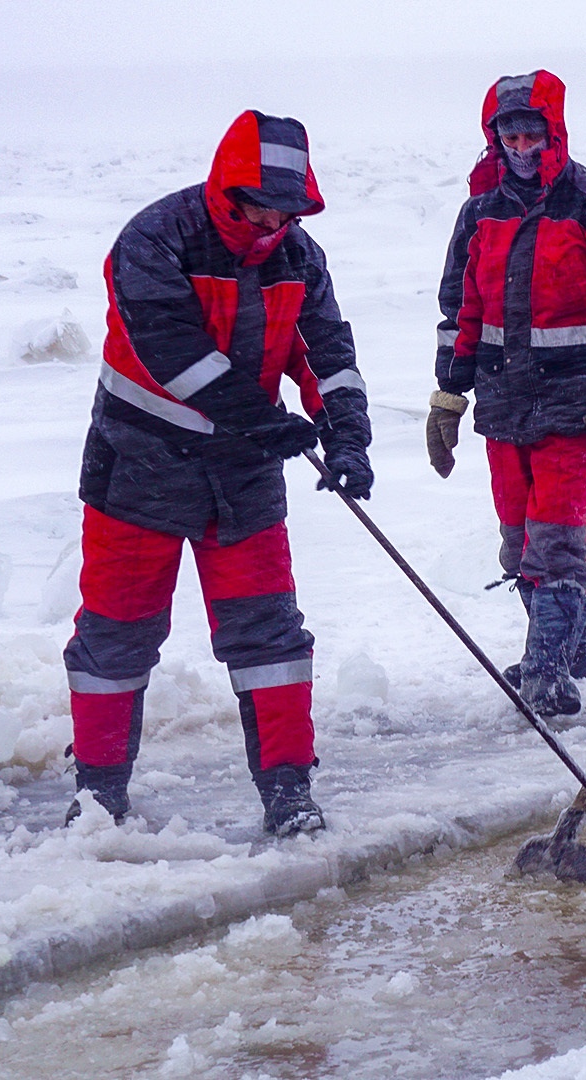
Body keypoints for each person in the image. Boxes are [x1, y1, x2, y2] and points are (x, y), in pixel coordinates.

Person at [64, 111, 371, 836]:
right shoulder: (155, 239)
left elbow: (326, 350)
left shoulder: (299, 256)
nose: (274, 220)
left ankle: (289, 791)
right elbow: (172, 352)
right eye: (263, 202)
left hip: (243, 475)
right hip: (138, 470)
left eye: (288, 207)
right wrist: (261, 419)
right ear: (229, 188)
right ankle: (99, 793)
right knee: (116, 635)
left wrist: (349, 436)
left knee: (270, 636)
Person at [426, 71, 586, 718]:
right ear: (494, 137)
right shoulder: (479, 213)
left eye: (533, 131)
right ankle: (573, 651)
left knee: (554, 543)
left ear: (554, 131)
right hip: (503, 406)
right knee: (517, 541)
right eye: (510, 132)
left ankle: (547, 676)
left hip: (574, 404)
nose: (521, 143)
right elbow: (460, 311)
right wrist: (448, 398)